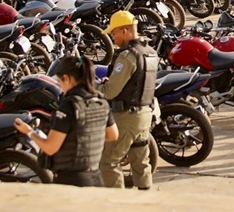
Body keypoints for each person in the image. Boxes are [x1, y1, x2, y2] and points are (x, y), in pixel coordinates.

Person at [13, 56, 119, 187]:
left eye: (60, 81)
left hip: (71, 181)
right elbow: (113, 135)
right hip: (96, 177)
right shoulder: (100, 101)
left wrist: (29, 132)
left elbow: (50, 148)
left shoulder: (69, 106)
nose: (61, 87)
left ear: (67, 78)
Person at [98, 11, 158, 190]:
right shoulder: (150, 52)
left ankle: (119, 204)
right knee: (140, 162)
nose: (113, 37)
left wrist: (91, 87)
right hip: (145, 113)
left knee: (108, 162)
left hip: (126, 117)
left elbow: (110, 92)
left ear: (124, 31)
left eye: (114, 33)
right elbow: (137, 81)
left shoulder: (127, 56)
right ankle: (146, 198)